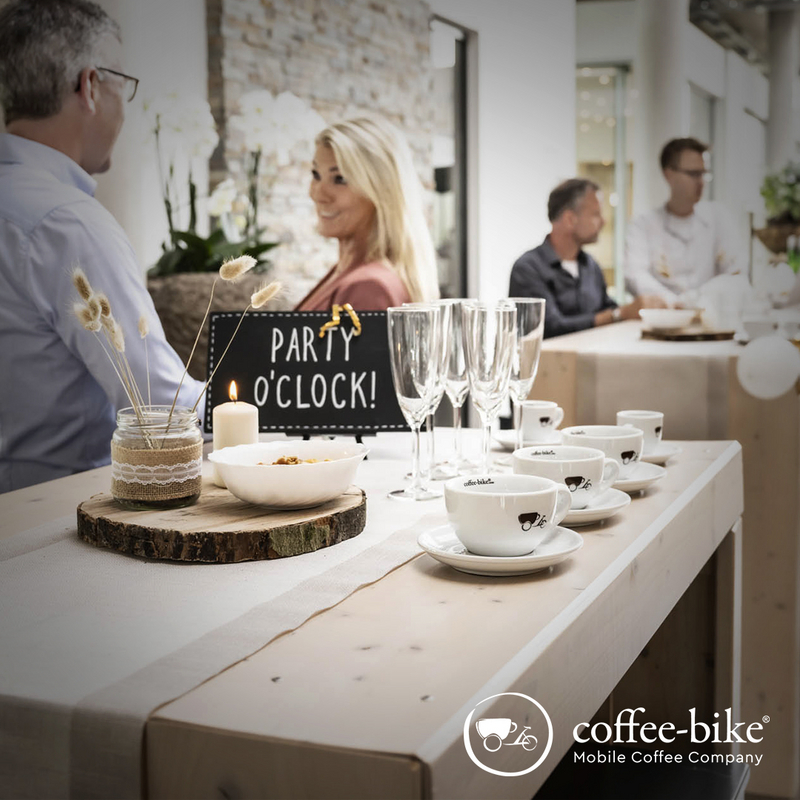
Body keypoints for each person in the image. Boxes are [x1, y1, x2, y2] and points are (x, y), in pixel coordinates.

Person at [0, 0, 205, 492]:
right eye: (123, 84)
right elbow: (158, 404)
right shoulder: (66, 223)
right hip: (54, 524)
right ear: (90, 86)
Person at [295, 115, 440, 311]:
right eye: (316, 175)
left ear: (380, 190)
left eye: (339, 179)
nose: (317, 194)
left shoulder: (369, 289)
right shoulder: (346, 272)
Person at [509, 179, 664, 338]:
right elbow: (548, 328)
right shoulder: (528, 268)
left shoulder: (591, 266)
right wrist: (618, 314)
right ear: (570, 219)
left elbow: (608, 308)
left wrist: (644, 309)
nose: (603, 222)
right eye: (596, 214)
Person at [625, 137, 745, 305]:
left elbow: (735, 273)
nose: (701, 182)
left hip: (712, 317)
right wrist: (676, 303)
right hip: (664, 319)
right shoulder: (643, 225)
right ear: (669, 175)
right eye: (693, 174)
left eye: (703, 174)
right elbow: (635, 276)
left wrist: (700, 301)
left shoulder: (718, 218)